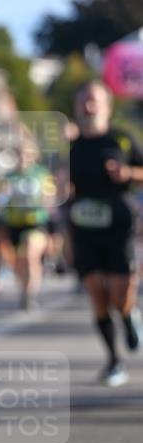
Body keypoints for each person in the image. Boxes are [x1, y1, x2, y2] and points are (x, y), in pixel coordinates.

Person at [68, 80, 143, 386]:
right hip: (83, 225)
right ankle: (113, 361)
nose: (88, 105)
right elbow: (60, 187)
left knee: (120, 292)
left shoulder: (121, 139)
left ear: (107, 107)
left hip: (118, 223)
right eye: (83, 99)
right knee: (97, 294)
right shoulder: (71, 147)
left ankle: (127, 317)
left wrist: (128, 174)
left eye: (94, 99)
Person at [0, 141, 57, 309]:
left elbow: (50, 196)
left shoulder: (41, 174)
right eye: (19, 154)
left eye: (26, 154)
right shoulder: (9, 177)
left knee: (30, 253)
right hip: (14, 224)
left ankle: (30, 293)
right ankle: (24, 289)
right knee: (19, 261)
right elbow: (0, 199)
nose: (23, 158)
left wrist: (44, 201)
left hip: (35, 222)